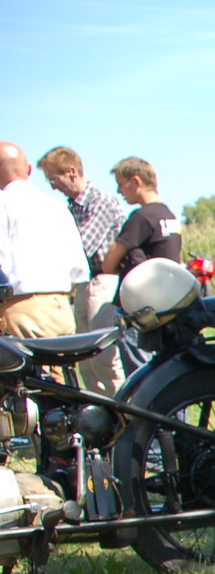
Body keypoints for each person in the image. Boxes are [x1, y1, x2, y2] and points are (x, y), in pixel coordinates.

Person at [38, 145, 126, 394]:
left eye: (54, 179)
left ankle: (124, 414)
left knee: (105, 357)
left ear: (72, 172)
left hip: (103, 281)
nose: (53, 186)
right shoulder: (72, 207)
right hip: (84, 284)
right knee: (85, 360)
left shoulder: (100, 202)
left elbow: (82, 247)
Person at [0, 141, 88, 341]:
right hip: (61, 308)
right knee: (59, 372)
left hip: (20, 309)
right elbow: (79, 270)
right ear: (29, 170)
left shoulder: (3, 203)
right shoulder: (57, 206)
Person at [101, 157, 181, 278]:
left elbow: (108, 265)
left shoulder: (141, 217)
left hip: (143, 294)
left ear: (135, 181)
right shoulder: (169, 216)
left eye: (120, 184)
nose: (118, 191)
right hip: (166, 291)